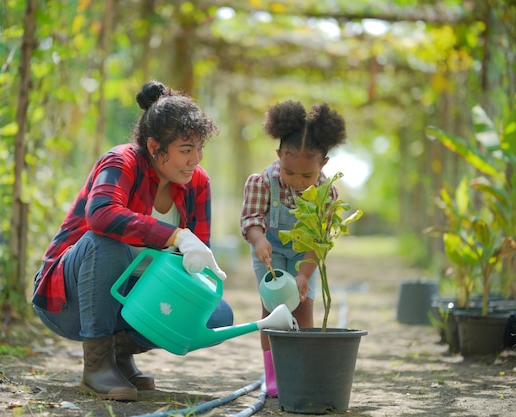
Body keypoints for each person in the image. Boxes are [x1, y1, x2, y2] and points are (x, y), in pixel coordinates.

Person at [32, 80, 233, 402]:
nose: (195, 159)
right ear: (155, 147)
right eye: (185, 150)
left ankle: (121, 353)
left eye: (199, 149)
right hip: (71, 300)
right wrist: (175, 235)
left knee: (217, 314)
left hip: (131, 298)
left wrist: (200, 267)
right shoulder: (121, 161)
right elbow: (102, 216)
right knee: (105, 241)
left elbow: (192, 256)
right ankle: (97, 363)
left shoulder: (197, 182)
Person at [240, 100, 346, 397]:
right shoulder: (262, 182)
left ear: (323, 164)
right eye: (290, 173)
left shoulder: (327, 193)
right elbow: (251, 219)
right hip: (269, 251)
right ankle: (273, 375)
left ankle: (300, 369)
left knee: (303, 306)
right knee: (272, 308)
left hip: (305, 253)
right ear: (279, 156)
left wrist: (304, 274)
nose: (298, 183)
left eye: (307, 176)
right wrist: (259, 239)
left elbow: (319, 242)